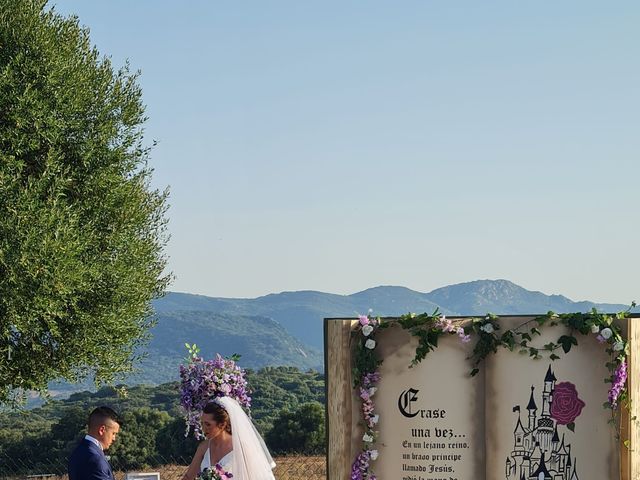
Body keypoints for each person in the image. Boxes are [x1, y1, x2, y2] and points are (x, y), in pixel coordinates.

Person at [183, 397, 276, 480]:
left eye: (208, 424)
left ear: (222, 424)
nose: (203, 428)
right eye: (202, 423)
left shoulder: (241, 448)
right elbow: (188, 477)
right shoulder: (203, 448)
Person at [68, 406, 121, 480]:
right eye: (113, 433)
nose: (114, 438)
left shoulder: (78, 451)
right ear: (102, 430)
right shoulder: (95, 459)